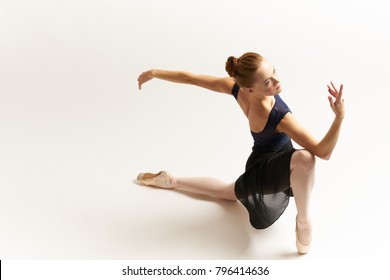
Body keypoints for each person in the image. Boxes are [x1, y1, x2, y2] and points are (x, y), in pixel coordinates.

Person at [136, 52, 345, 254]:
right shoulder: (280, 117)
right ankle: (304, 221)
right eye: (267, 82)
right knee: (306, 159)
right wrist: (339, 117)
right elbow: (322, 152)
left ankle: (172, 180)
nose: (276, 82)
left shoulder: (237, 89)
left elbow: (191, 78)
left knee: (227, 193)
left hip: (259, 163)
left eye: (274, 72)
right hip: (268, 171)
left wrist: (154, 72)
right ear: (250, 89)